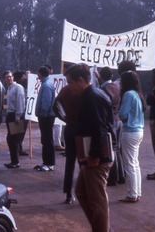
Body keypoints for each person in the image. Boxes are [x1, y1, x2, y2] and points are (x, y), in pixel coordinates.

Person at [65, 63, 114, 231]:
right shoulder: (91, 95)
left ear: (80, 80)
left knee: (96, 200)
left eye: (70, 83)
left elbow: (100, 129)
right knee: (82, 192)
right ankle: (100, 227)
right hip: (90, 155)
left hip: (97, 157)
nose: (69, 88)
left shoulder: (92, 97)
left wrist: (95, 155)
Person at [118, 70, 146, 203]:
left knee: (129, 164)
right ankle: (136, 192)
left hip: (130, 130)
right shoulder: (137, 94)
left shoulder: (128, 94)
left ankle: (132, 194)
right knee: (135, 164)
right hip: (139, 130)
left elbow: (122, 113)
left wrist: (124, 118)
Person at [53, 84, 81, 204]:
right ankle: (84, 192)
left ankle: (69, 194)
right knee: (84, 163)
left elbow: (55, 106)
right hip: (82, 129)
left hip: (70, 127)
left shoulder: (65, 90)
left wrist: (64, 119)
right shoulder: (83, 90)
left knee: (70, 162)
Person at [99, 67, 125, 186]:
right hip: (118, 119)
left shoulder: (103, 89)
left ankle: (113, 177)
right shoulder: (117, 87)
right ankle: (121, 175)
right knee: (117, 149)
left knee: (111, 149)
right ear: (112, 76)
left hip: (110, 122)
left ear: (101, 76)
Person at [33, 66, 56, 172]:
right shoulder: (46, 84)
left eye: (38, 73)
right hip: (46, 116)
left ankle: (49, 163)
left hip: (46, 117)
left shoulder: (46, 86)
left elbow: (46, 104)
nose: (37, 75)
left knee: (47, 140)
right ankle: (46, 161)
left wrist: (41, 114)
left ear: (41, 74)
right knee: (45, 139)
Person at [3, 70, 25, 169]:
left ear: (13, 77)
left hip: (15, 116)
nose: (9, 78)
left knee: (13, 140)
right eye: (7, 77)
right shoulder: (9, 89)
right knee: (11, 140)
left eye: (10, 76)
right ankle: (14, 161)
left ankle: (16, 162)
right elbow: (6, 102)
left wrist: (18, 117)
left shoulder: (18, 87)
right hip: (9, 115)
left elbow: (20, 102)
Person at [45, 65, 65, 152]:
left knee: (58, 125)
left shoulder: (51, 80)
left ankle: (59, 142)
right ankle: (56, 143)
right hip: (52, 105)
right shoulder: (49, 81)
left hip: (54, 104)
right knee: (57, 125)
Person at [13, 71, 29, 156]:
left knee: (21, 132)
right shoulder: (18, 87)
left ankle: (19, 148)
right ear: (19, 78)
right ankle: (17, 149)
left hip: (23, 112)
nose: (24, 78)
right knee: (17, 132)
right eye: (23, 77)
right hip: (19, 112)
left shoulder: (22, 85)